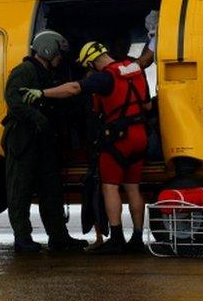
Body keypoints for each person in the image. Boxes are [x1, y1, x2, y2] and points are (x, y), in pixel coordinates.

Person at [21, 41, 151, 254]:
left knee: (110, 187)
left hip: (119, 139)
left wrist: (42, 93)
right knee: (133, 188)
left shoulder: (105, 77)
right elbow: (147, 105)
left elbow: (73, 88)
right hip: (140, 134)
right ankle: (137, 239)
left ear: (92, 60)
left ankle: (117, 239)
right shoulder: (134, 69)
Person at [1, 31, 88, 253]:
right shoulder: (25, 71)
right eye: (59, 53)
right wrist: (39, 120)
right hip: (23, 140)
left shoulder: (50, 74)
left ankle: (58, 237)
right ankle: (22, 239)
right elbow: (14, 101)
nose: (61, 58)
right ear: (47, 49)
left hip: (45, 141)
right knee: (20, 190)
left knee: (52, 189)